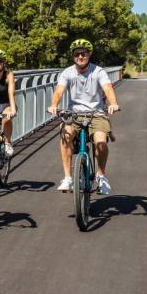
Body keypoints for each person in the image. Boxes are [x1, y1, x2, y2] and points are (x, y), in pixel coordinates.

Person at [46, 39, 121, 195]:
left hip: (97, 113)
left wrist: (113, 103)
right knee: (65, 137)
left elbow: (107, 88)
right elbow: (59, 91)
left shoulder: (98, 72)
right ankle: (67, 178)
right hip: (74, 114)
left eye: (84, 53)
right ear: (73, 56)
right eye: (77, 54)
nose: (80, 56)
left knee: (100, 143)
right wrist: (53, 104)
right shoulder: (67, 73)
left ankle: (101, 176)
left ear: (89, 54)